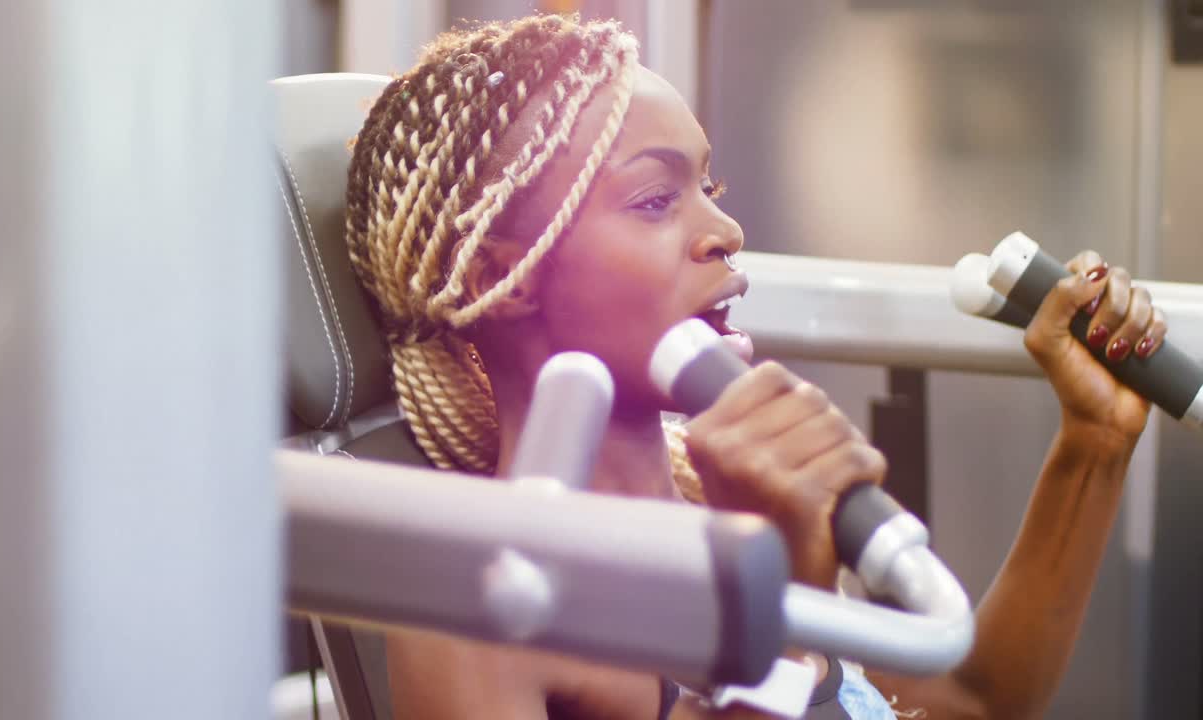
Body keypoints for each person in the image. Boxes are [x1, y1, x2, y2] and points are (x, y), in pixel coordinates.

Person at [343, 14, 1167, 719]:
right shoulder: (484, 610)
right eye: (655, 200)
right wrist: (783, 611)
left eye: (710, 186)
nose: (724, 232)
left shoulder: (712, 502)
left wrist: (1093, 443)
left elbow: (972, 699)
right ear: (496, 277)